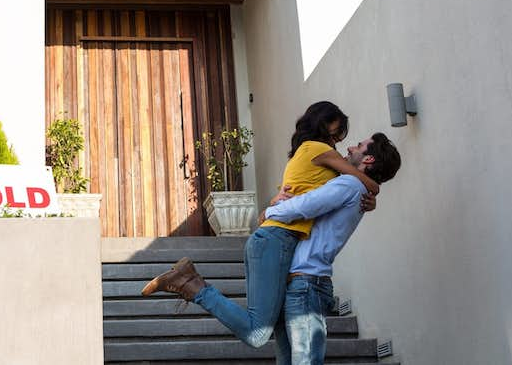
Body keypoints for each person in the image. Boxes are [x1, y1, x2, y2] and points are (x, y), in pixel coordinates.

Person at [141, 102, 380, 350]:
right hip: (277, 240)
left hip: (274, 240)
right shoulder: (318, 149)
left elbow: (313, 193)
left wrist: (273, 205)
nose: (338, 143)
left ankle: (191, 283)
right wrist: (375, 188)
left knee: (277, 340)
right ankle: (192, 285)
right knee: (257, 333)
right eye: (336, 134)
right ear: (324, 125)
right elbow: (361, 181)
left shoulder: (307, 152)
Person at [263, 132, 401, 365]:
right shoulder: (356, 186)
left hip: (307, 283)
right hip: (299, 282)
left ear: (368, 160)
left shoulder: (349, 184)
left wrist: (268, 212)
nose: (348, 149)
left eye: (359, 146)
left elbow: (306, 205)